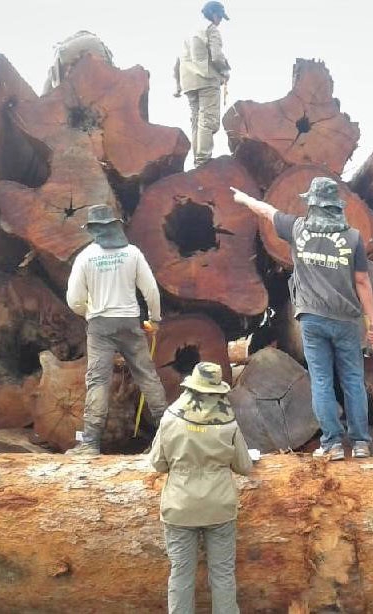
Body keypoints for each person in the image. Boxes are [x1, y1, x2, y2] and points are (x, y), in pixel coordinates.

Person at [231, 177, 373, 460]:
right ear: (337, 207)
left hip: (312, 320)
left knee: (321, 380)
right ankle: (361, 443)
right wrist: (372, 321)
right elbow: (362, 282)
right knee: (352, 380)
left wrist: (243, 199)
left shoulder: (297, 229)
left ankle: (333, 444)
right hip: (346, 319)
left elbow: (266, 211)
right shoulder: (353, 238)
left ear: (312, 204)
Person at [149, 361, 253, 614]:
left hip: (180, 507)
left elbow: (157, 464)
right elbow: (244, 466)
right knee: (222, 575)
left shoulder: (170, 419)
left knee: (181, 575)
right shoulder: (228, 423)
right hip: (219, 508)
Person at [65, 203, 167, 455]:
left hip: (100, 326)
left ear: (93, 230)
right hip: (129, 321)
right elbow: (151, 290)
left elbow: (74, 299)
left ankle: (90, 443)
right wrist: (154, 319)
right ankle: (169, 437)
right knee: (146, 376)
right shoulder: (132, 254)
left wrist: (89, 312)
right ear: (115, 226)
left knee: (98, 381)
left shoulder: (85, 257)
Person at [174, 1, 231, 168]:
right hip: (207, 79)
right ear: (213, 14)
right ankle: (203, 161)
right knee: (208, 120)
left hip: (188, 82)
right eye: (220, 16)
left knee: (196, 120)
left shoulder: (190, 31)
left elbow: (178, 61)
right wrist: (225, 72)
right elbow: (217, 57)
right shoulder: (211, 29)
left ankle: (197, 159)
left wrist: (177, 85)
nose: (220, 21)